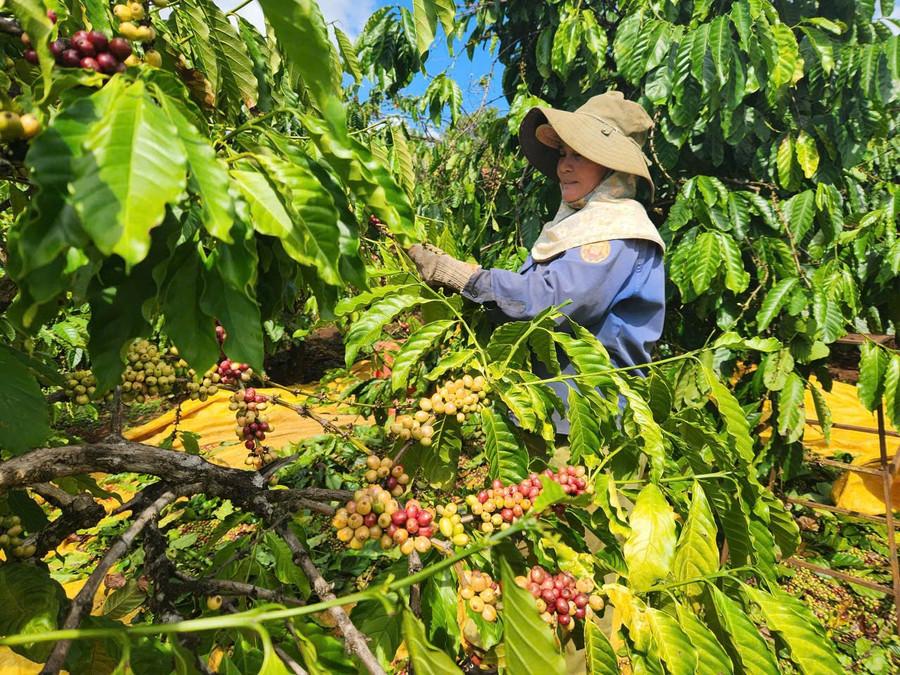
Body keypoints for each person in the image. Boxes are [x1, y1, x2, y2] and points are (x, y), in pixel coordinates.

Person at [407, 91, 665, 434]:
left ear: (612, 169)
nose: (564, 166)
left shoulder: (617, 232)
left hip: (588, 421)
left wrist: (465, 277)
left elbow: (551, 302)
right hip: (548, 413)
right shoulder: (581, 226)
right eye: (563, 153)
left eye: (580, 155)